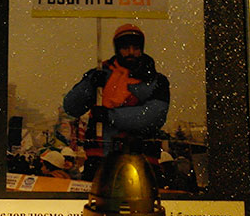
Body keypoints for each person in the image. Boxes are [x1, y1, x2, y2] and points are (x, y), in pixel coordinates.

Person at [62, 23, 170, 179]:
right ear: (117, 49)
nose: (131, 52)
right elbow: (71, 107)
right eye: (125, 48)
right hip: (99, 158)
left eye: (136, 47)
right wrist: (90, 84)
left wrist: (110, 116)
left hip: (140, 158)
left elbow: (154, 116)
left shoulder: (156, 81)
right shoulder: (100, 75)